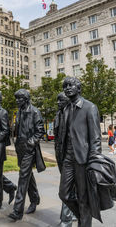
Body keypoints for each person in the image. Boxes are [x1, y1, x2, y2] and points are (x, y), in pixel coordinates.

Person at [59, 77, 102, 227]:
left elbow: (96, 139)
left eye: (71, 85)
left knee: (83, 198)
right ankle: (84, 217)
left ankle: (84, 222)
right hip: (68, 158)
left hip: (83, 159)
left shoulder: (89, 107)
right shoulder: (66, 109)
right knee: (63, 194)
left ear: (78, 88)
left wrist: (94, 162)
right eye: (65, 86)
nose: (68, 88)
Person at [8, 89, 46, 221]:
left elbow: (41, 131)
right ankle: (35, 199)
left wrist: (31, 142)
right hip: (20, 148)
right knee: (27, 174)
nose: (17, 101)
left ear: (26, 99)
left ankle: (17, 211)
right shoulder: (18, 112)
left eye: (20, 98)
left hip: (30, 149)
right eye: (16, 98)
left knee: (23, 176)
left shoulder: (35, 111)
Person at [54, 92, 76, 227]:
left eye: (60, 100)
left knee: (65, 188)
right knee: (71, 187)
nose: (58, 103)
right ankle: (74, 212)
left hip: (73, 156)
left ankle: (66, 219)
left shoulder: (75, 114)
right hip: (61, 155)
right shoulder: (58, 115)